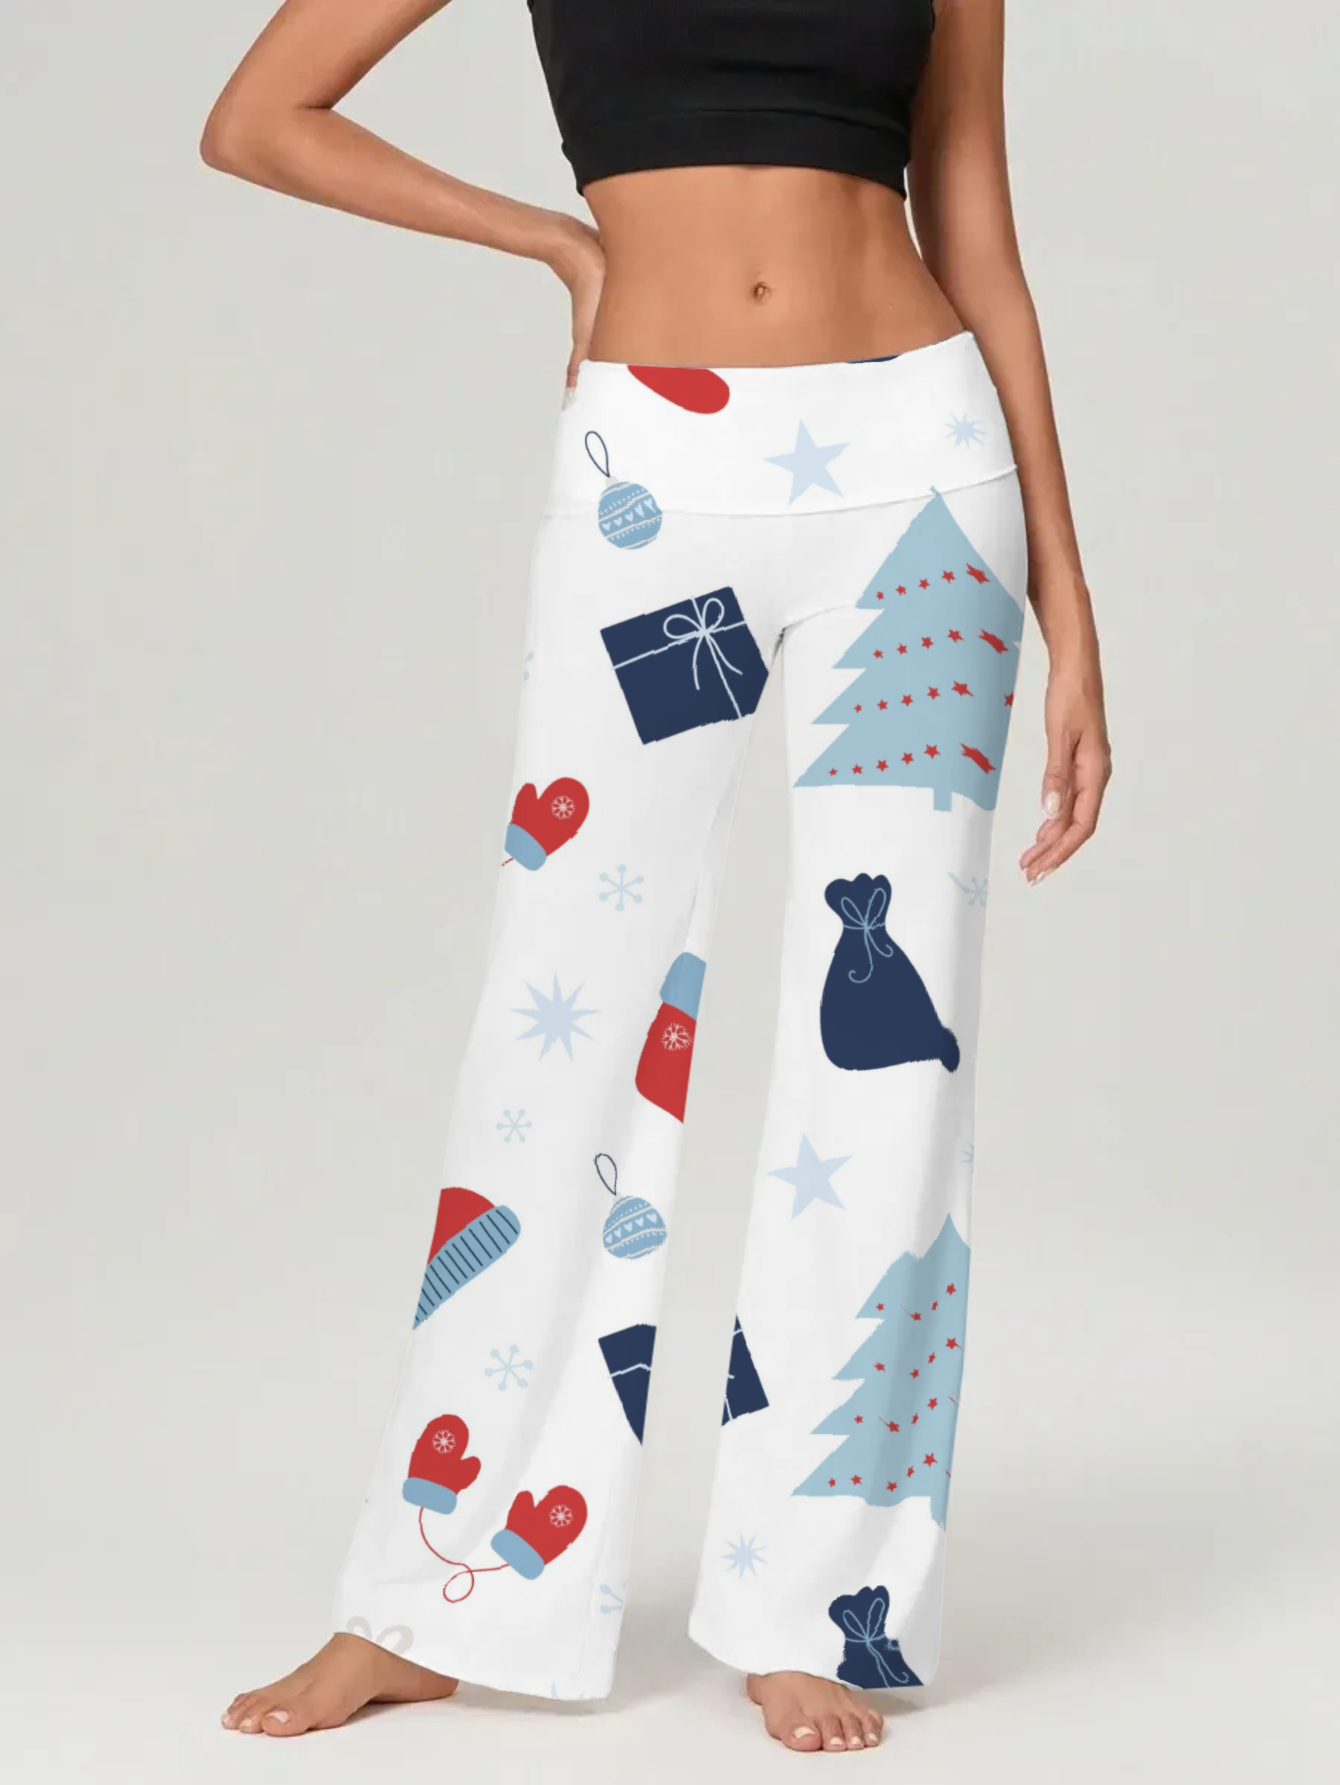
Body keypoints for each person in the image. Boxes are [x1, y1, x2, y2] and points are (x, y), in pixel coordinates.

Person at [203, 0, 1110, 1755]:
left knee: (887, 1065)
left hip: (923, 475)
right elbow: (259, 117)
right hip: (659, 468)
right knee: (560, 1040)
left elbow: (979, 234)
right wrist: (556, 243)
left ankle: (815, 1601)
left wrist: (1069, 597)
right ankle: (435, 1595)